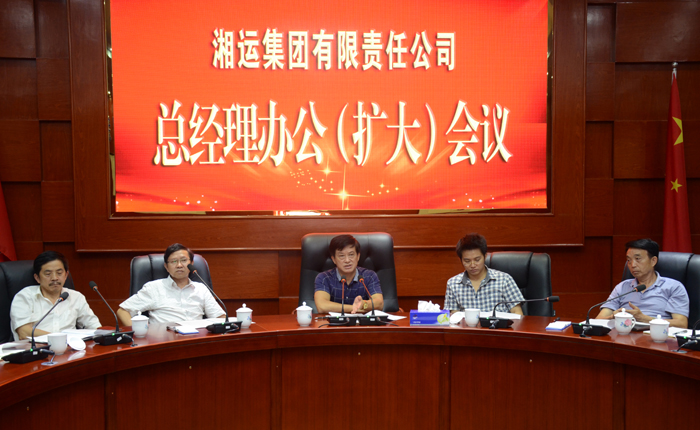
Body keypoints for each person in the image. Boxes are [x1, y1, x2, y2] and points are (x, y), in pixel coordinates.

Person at [117, 243, 225, 325]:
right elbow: (123, 311)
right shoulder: (154, 288)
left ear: (191, 264)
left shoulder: (201, 289)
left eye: (183, 260)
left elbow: (220, 317)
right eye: (173, 261)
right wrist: (142, 333)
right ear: (166, 267)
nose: (179, 265)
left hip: (196, 339)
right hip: (166, 341)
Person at [595, 239, 689, 328]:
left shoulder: (673, 287)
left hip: (656, 336)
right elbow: (598, 320)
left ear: (653, 261)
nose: (632, 265)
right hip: (625, 335)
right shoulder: (622, 287)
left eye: (638, 259)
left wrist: (645, 319)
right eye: (629, 260)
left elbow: (681, 324)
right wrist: (612, 317)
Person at [10, 251, 101, 340]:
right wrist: (59, 339)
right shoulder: (25, 297)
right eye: (48, 274)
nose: (54, 278)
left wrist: (104, 335)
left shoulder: (76, 297)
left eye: (59, 273)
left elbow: (95, 327)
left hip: (70, 348)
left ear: (66, 275)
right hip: (35, 348)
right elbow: (24, 333)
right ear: (37, 278)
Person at [444, 233, 524, 314]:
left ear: (485, 256)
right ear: (460, 260)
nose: (473, 265)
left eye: (477, 260)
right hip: (467, 323)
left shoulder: (504, 280)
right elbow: (454, 317)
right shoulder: (453, 284)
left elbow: (517, 312)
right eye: (467, 261)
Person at [314, 234, 383, 314]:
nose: (347, 260)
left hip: (362, 322)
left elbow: (379, 304)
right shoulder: (324, 278)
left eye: (351, 255)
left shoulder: (369, 276)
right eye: (341, 256)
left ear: (358, 256)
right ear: (334, 259)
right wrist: (354, 308)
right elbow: (322, 306)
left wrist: (363, 304)